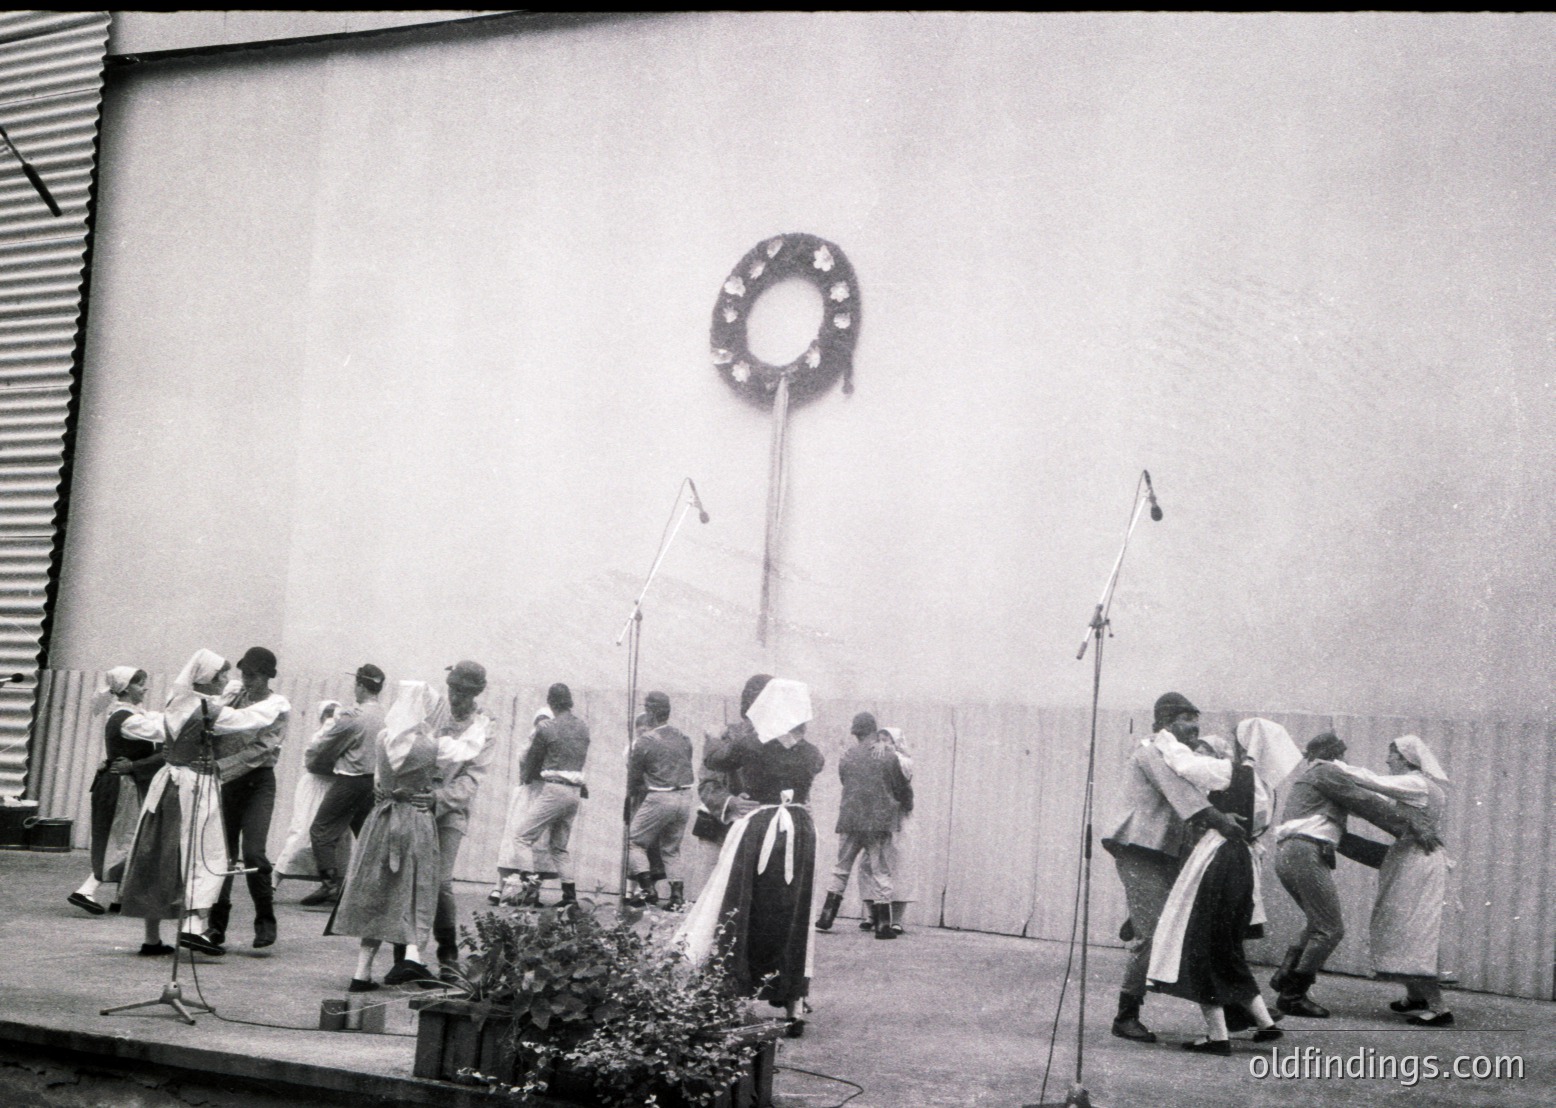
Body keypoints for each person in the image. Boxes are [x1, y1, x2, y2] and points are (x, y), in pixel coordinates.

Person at [679, 676, 825, 1038]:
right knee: (773, 912)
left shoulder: (747, 743)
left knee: (745, 908)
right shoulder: (807, 751)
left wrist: (714, 737)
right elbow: (711, 780)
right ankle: (785, 998)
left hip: (761, 830)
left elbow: (717, 756)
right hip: (772, 828)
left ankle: (741, 991)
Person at [119, 650, 289, 956]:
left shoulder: (179, 700)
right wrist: (277, 703)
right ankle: (195, 927)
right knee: (205, 855)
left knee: (163, 853)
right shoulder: (209, 708)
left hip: (174, 783)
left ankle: (154, 937)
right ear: (209, 679)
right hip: (195, 785)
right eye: (223, 675)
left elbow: (144, 726)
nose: (231, 680)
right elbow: (251, 719)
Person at [1147, 719, 1302, 1053]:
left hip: (1219, 857)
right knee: (1225, 945)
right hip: (1242, 861)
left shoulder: (1234, 773)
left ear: (1247, 745)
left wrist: (1163, 738)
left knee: (1201, 941)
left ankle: (1218, 1035)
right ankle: (1265, 1022)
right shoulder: (1267, 785)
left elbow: (1185, 764)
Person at [1102, 692, 1246, 1044]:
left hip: (1164, 853)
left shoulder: (1177, 756)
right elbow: (1183, 796)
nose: (1195, 725)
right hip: (1139, 848)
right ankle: (1126, 1015)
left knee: (1190, 926)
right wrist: (1222, 822)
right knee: (1153, 936)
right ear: (1166, 724)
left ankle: (1231, 1008)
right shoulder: (1152, 752)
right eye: (1186, 719)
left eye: (1196, 718)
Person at [1270, 731, 1442, 1017]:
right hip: (1303, 851)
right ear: (1333, 753)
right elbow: (1368, 803)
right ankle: (1292, 994)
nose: (1345, 758)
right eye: (1342, 752)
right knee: (1330, 929)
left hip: (1293, 852)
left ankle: (1286, 976)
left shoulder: (1316, 780)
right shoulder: (1327, 772)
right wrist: (1413, 828)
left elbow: (1344, 839)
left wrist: (1390, 860)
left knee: (1317, 923)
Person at [1332, 735, 1454, 1025]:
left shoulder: (1416, 783)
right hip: (1411, 858)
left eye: (1391, 755)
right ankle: (1416, 995)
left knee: (1412, 929)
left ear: (1404, 758)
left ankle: (1438, 1008)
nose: (1387, 760)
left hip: (1418, 861)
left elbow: (1374, 783)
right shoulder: (1416, 787)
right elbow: (1376, 802)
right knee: (1400, 923)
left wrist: (1332, 766)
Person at [329, 680, 443, 990]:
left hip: (381, 821)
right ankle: (414, 957)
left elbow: (380, 780)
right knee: (416, 889)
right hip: (414, 822)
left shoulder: (383, 738)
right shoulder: (429, 744)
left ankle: (361, 972)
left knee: (380, 893)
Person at [205, 646, 291, 951]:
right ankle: (216, 927)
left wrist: (222, 766)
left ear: (268, 676)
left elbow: (261, 750)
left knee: (253, 853)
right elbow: (212, 727)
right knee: (222, 853)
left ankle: (265, 919)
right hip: (227, 784)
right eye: (244, 674)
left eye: (253, 675)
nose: (247, 680)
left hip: (258, 783)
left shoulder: (277, 707)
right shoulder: (233, 697)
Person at [418, 660, 498, 980]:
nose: (456, 698)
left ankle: (447, 951)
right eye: (452, 689)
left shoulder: (484, 726)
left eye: (464, 693)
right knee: (412, 877)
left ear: (476, 693)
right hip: (417, 802)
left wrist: (438, 798)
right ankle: (407, 954)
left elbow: (472, 780)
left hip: (451, 808)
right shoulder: (435, 711)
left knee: (440, 881)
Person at [69, 668, 165, 917]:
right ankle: (87, 889)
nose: (145, 688)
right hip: (123, 785)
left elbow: (156, 722)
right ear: (125, 689)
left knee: (128, 836)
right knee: (125, 838)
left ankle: (121, 896)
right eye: (140, 684)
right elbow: (161, 731)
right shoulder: (128, 719)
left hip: (125, 782)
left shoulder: (132, 714)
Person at [814, 712, 911, 939]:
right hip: (879, 822)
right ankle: (883, 925)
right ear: (875, 732)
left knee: (841, 868)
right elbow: (901, 787)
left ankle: (827, 916)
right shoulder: (888, 756)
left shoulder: (847, 755)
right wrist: (905, 805)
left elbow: (845, 780)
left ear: (855, 733)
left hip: (850, 819)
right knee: (881, 871)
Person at [296, 664, 387, 906]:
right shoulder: (386, 716)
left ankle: (330, 885)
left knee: (321, 830)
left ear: (359, 685)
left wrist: (315, 765)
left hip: (351, 780)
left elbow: (325, 747)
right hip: (373, 784)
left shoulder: (352, 717)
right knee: (367, 835)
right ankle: (375, 888)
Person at [509, 682, 590, 908]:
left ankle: (530, 891)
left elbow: (532, 760)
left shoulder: (546, 728)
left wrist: (525, 778)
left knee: (522, 837)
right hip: (575, 791)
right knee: (559, 847)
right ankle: (569, 895)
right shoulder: (583, 727)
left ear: (551, 702)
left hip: (554, 789)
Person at [625, 691, 695, 910]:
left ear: (651, 712)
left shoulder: (645, 740)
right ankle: (676, 897)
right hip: (685, 796)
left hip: (660, 795)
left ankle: (647, 890)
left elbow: (634, 777)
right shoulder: (683, 737)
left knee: (634, 842)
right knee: (671, 849)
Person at [491, 706, 550, 906]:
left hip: (543, 794)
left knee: (539, 842)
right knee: (513, 837)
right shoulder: (528, 743)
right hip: (527, 793)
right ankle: (499, 887)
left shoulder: (552, 745)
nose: (541, 724)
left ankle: (533, 891)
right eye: (539, 720)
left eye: (546, 721)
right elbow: (525, 767)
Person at [866, 726, 916, 935]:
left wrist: (887, 752)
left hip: (899, 819)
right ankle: (871, 915)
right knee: (869, 865)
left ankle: (896, 919)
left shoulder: (903, 760)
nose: (882, 742)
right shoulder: (874, 757)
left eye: (887, 738)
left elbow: (903, 776)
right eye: (880, 738)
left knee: (899, 866)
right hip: (878, 818)